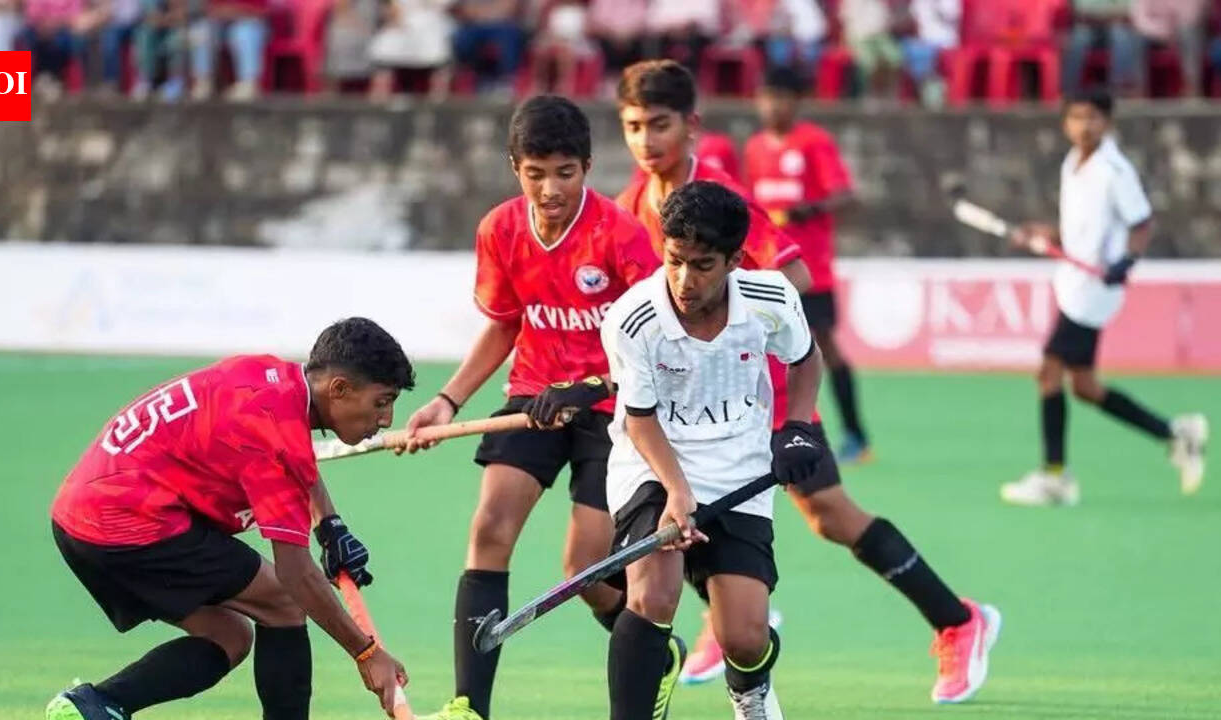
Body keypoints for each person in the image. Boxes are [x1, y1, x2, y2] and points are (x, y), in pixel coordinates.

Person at [614, 59, 1001, 704]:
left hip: (759, 391)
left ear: (692, 127)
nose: (647, 141)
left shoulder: (721, 198)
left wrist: (722, 336)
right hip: (686, 408)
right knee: (665, 512)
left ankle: (959, 620)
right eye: (634, 127)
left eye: (661, 125)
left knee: (827, 513)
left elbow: (791, 283)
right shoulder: (631, 203)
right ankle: (729, 612)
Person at [403, 95, 665, 720]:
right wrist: (446, 401)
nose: (550, 188)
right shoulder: (499, 230)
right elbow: (503, 326)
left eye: (565, 172)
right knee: (489, 529)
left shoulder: (621, 237)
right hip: (534, 399)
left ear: (587, 167)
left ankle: (656, 653)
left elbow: (657, 343)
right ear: (514, 167)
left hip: (616, 411)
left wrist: (594, 386)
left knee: (584, 568)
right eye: (535, 172)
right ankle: (469, 706)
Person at [45, 318, 416, 720]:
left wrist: (330, 524)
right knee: (284, 600)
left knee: (228, 637)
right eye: (381, 402)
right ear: (339, 389)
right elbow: (297, 574)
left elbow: (294, 457)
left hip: (81, 515)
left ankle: (94, 705)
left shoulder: (269, 378)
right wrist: (366, 653)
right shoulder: (276, 438)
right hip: (127, 522)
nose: (387, 420)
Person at [601, 180, 819, 720]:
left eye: (701, 265)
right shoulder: (634, 320)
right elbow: (640, 419)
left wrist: (797, 427)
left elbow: (805, 358)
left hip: (740, 469)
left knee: (743, 638)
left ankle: (750, 692)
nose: (683, 279)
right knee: (653, 597)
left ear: (734, 261)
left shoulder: (771, 299)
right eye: (674, 260)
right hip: (653, 462)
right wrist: (677, 492)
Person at [1001, 88, 1208, 506]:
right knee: (1084, 386)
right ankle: (1176, 434)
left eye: (1093, 117)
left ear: (1108, 122)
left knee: (1048, 373)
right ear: (1065, 123)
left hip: (1095, 290)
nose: (1084, 125)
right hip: (1072, 282)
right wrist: (1043, 234)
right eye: (1076, 117)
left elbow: (1141, 221)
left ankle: (1055, 476)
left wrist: (1126, 262)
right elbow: (1077, 229)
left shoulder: (1115, 171)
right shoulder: (1072, 164)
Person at [744, 66, 871, 464]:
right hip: (770, 272)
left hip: (810, 270)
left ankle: (855, 434)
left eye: (780, 97)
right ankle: (767, 429)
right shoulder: (755, 148)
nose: (772, 105)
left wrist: (811, 209)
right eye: (766, 96)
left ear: (796, 102)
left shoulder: (814, 142)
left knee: (823, 348)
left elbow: (846, 195)